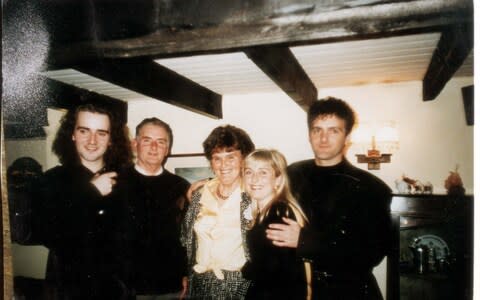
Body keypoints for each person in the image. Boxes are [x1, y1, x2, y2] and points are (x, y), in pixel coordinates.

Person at [266, 97, 392, 299]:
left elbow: (371, 253)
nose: (323, 139)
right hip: (297, 290)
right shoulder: (292, 174)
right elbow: (256, 186)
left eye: (334, 130)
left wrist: (305, 241)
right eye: (317, 130)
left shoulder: (371, 188)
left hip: (349, 292)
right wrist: (210, 184)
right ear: (309, 135)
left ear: (347, 137)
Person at [32, 102, 133, 299]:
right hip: (69, 291)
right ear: (72, 134)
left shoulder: (127, 181)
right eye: (84, 131)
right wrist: (91, 192)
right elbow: (46, 233)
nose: (92, 140)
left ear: (111, 139)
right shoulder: (51, 180)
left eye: (102, 133)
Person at [118, 118, 190, 299]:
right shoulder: (115, 182)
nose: (154, 147)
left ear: (167, 149)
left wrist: (185, 274)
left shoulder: (180, 187)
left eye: (161, 142)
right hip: (127, 287)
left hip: (169, 286)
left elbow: (187, 236)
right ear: (135, 144)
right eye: (147, 140)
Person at [181, 124, 255, 299]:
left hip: (239, 284)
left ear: (243, 159)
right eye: (217, 158)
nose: (224, 165)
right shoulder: (199, 195)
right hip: (200, 283)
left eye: (231, 157)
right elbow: (186, 239)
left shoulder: (253, 195)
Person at [241, 149, 311, 300]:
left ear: (278, 179)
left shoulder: (278, 213)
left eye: (263, 172)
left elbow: (277, 273)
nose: (254, 179)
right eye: (248, 172)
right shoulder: (267, 211)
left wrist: (246, 270)